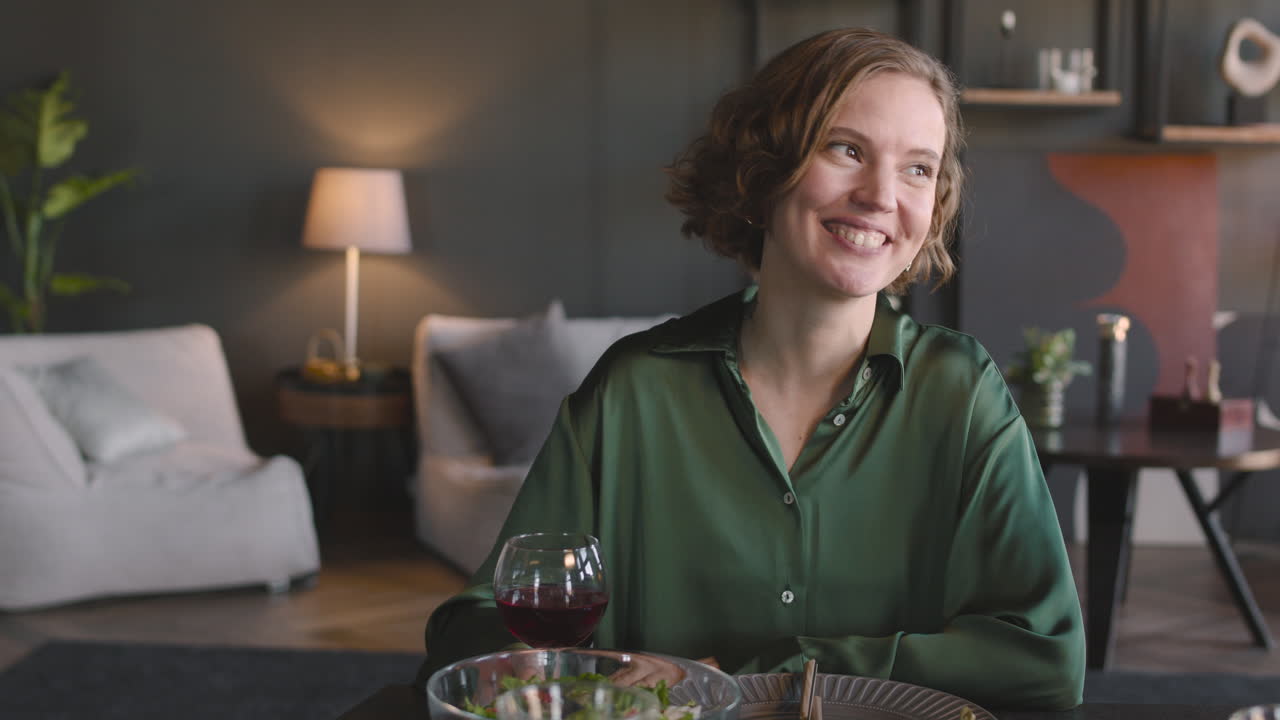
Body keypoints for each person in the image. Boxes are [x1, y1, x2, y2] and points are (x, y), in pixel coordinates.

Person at [416, 27, 1085, 711]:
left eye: (918, 168)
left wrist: (770, 669)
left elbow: (1043, 662)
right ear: (763, 170)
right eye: (846, 149)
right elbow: (478, 622)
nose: (882, 195)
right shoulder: (634, 390)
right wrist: (510, 662)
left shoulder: (961, 392)